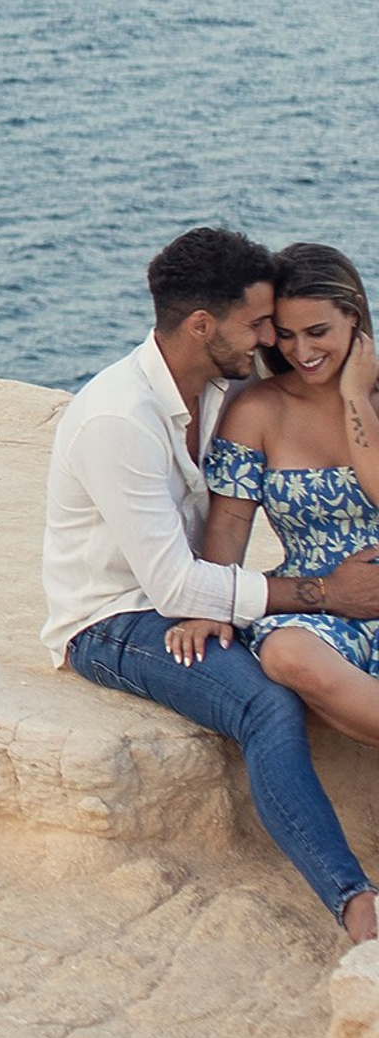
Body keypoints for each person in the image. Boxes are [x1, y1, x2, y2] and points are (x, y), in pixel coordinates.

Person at [44, 225, 379, 943]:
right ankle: (359, 908)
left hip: (183, 595)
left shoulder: (223, 388)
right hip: (115, 620)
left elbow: (204, 562)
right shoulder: (119, 420)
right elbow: (173, 585)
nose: (276, 341)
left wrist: (215, 596)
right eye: (261, 324)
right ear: (203, 325)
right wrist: (314, 593)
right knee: (265, 702)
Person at [181, 245, 379, 754]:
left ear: (353, 318)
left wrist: (357, 398)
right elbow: (228, 525)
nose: (300, 351)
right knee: (287, 655)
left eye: (318, 332)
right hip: (318, 601)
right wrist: (212, 603)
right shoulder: (260, 409)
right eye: (285, 334)